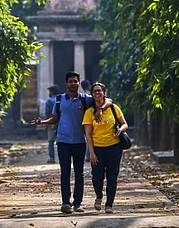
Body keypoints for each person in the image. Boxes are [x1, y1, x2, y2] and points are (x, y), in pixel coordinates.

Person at [31, 71, 111, 214]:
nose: (73, 83)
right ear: (66, 83)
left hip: (80, 141)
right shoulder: (60, 99)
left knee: (79, 173)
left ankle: (77, 203)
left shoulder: (86, 99)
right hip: (63, 141)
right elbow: (55, 118)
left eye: (75, 81)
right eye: (70, 81)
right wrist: (43, 121)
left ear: (79, 83)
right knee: (65, 172)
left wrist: (100, 109)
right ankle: (66, 202)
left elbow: (108, 100)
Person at [83, 82, 128, 214]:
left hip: (114, 147)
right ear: (92, 95)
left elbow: (124, 124)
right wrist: (91, 152)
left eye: (99, 91)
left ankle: (109, 204)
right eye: (95, 91)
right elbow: (88, 134)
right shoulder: (89, 112)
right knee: (97, 176)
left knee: (112, 176)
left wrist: (120, 130)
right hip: (97, 148)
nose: (97, 93)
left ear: (104, 93)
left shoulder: (114, 108)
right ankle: (99, 196)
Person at [43, 85, 59, 164]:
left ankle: (52, 158)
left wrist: (45, 125)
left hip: (51, 123)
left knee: (51, 141)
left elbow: (46, 114)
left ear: (51, 92)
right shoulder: (60, 100)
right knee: (61, 141)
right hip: (60, 123)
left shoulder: (49, 102)